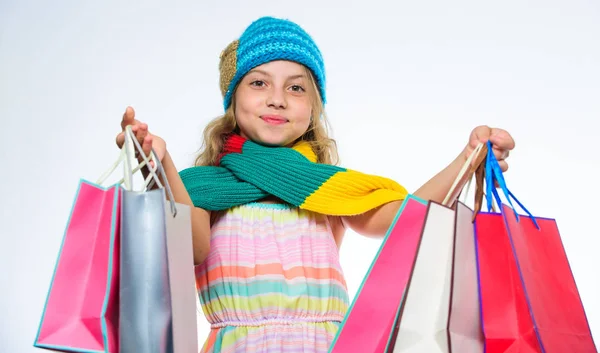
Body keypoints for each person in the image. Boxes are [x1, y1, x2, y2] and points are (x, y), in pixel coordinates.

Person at [115, 16, 515, 353]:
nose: (277, 99)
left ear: (313, 107)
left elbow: (410, 225)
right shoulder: (201, 186)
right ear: (232, 98)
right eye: (258, 83)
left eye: (296, 87)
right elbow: (194, 249)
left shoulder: (326, 189)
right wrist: (159, 166)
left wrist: (468, 158)